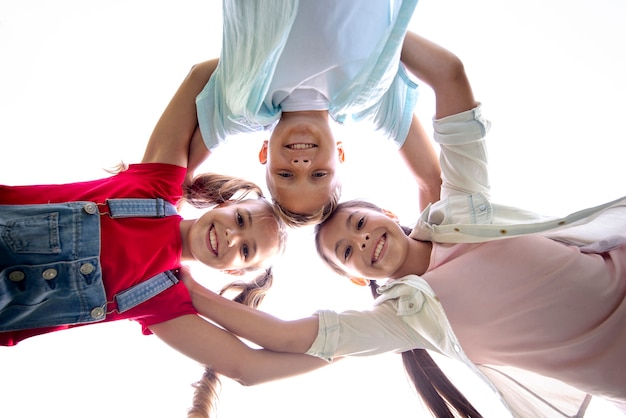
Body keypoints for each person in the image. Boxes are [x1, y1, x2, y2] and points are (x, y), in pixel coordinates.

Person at [182, 33, 626, 417]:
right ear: (358, 280)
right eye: (348, 253)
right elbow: (283, 337)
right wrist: (185, 288)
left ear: (388, 214)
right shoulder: (406, 321)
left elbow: (449, 75)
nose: (362, 241)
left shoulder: (462, 216)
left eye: (358, 224)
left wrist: (365, 41)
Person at [0, 59, 331, 411]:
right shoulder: (156, 187)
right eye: (239, 219)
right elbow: (199, 77)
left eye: (246, 250)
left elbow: (246, 367)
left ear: (234, 272)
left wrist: (351, 349)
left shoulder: (164, 299)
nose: (232, 237)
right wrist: (284, 69)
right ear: (224, 204)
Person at [194, 0, 442, 226]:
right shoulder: (368, 103)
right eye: (319, 174)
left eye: (285, 174)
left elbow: (175, 171)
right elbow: (430, 181)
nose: (301, 164)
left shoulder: (244, 108)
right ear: (341, 153)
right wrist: (430, 261)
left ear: (264, 152)